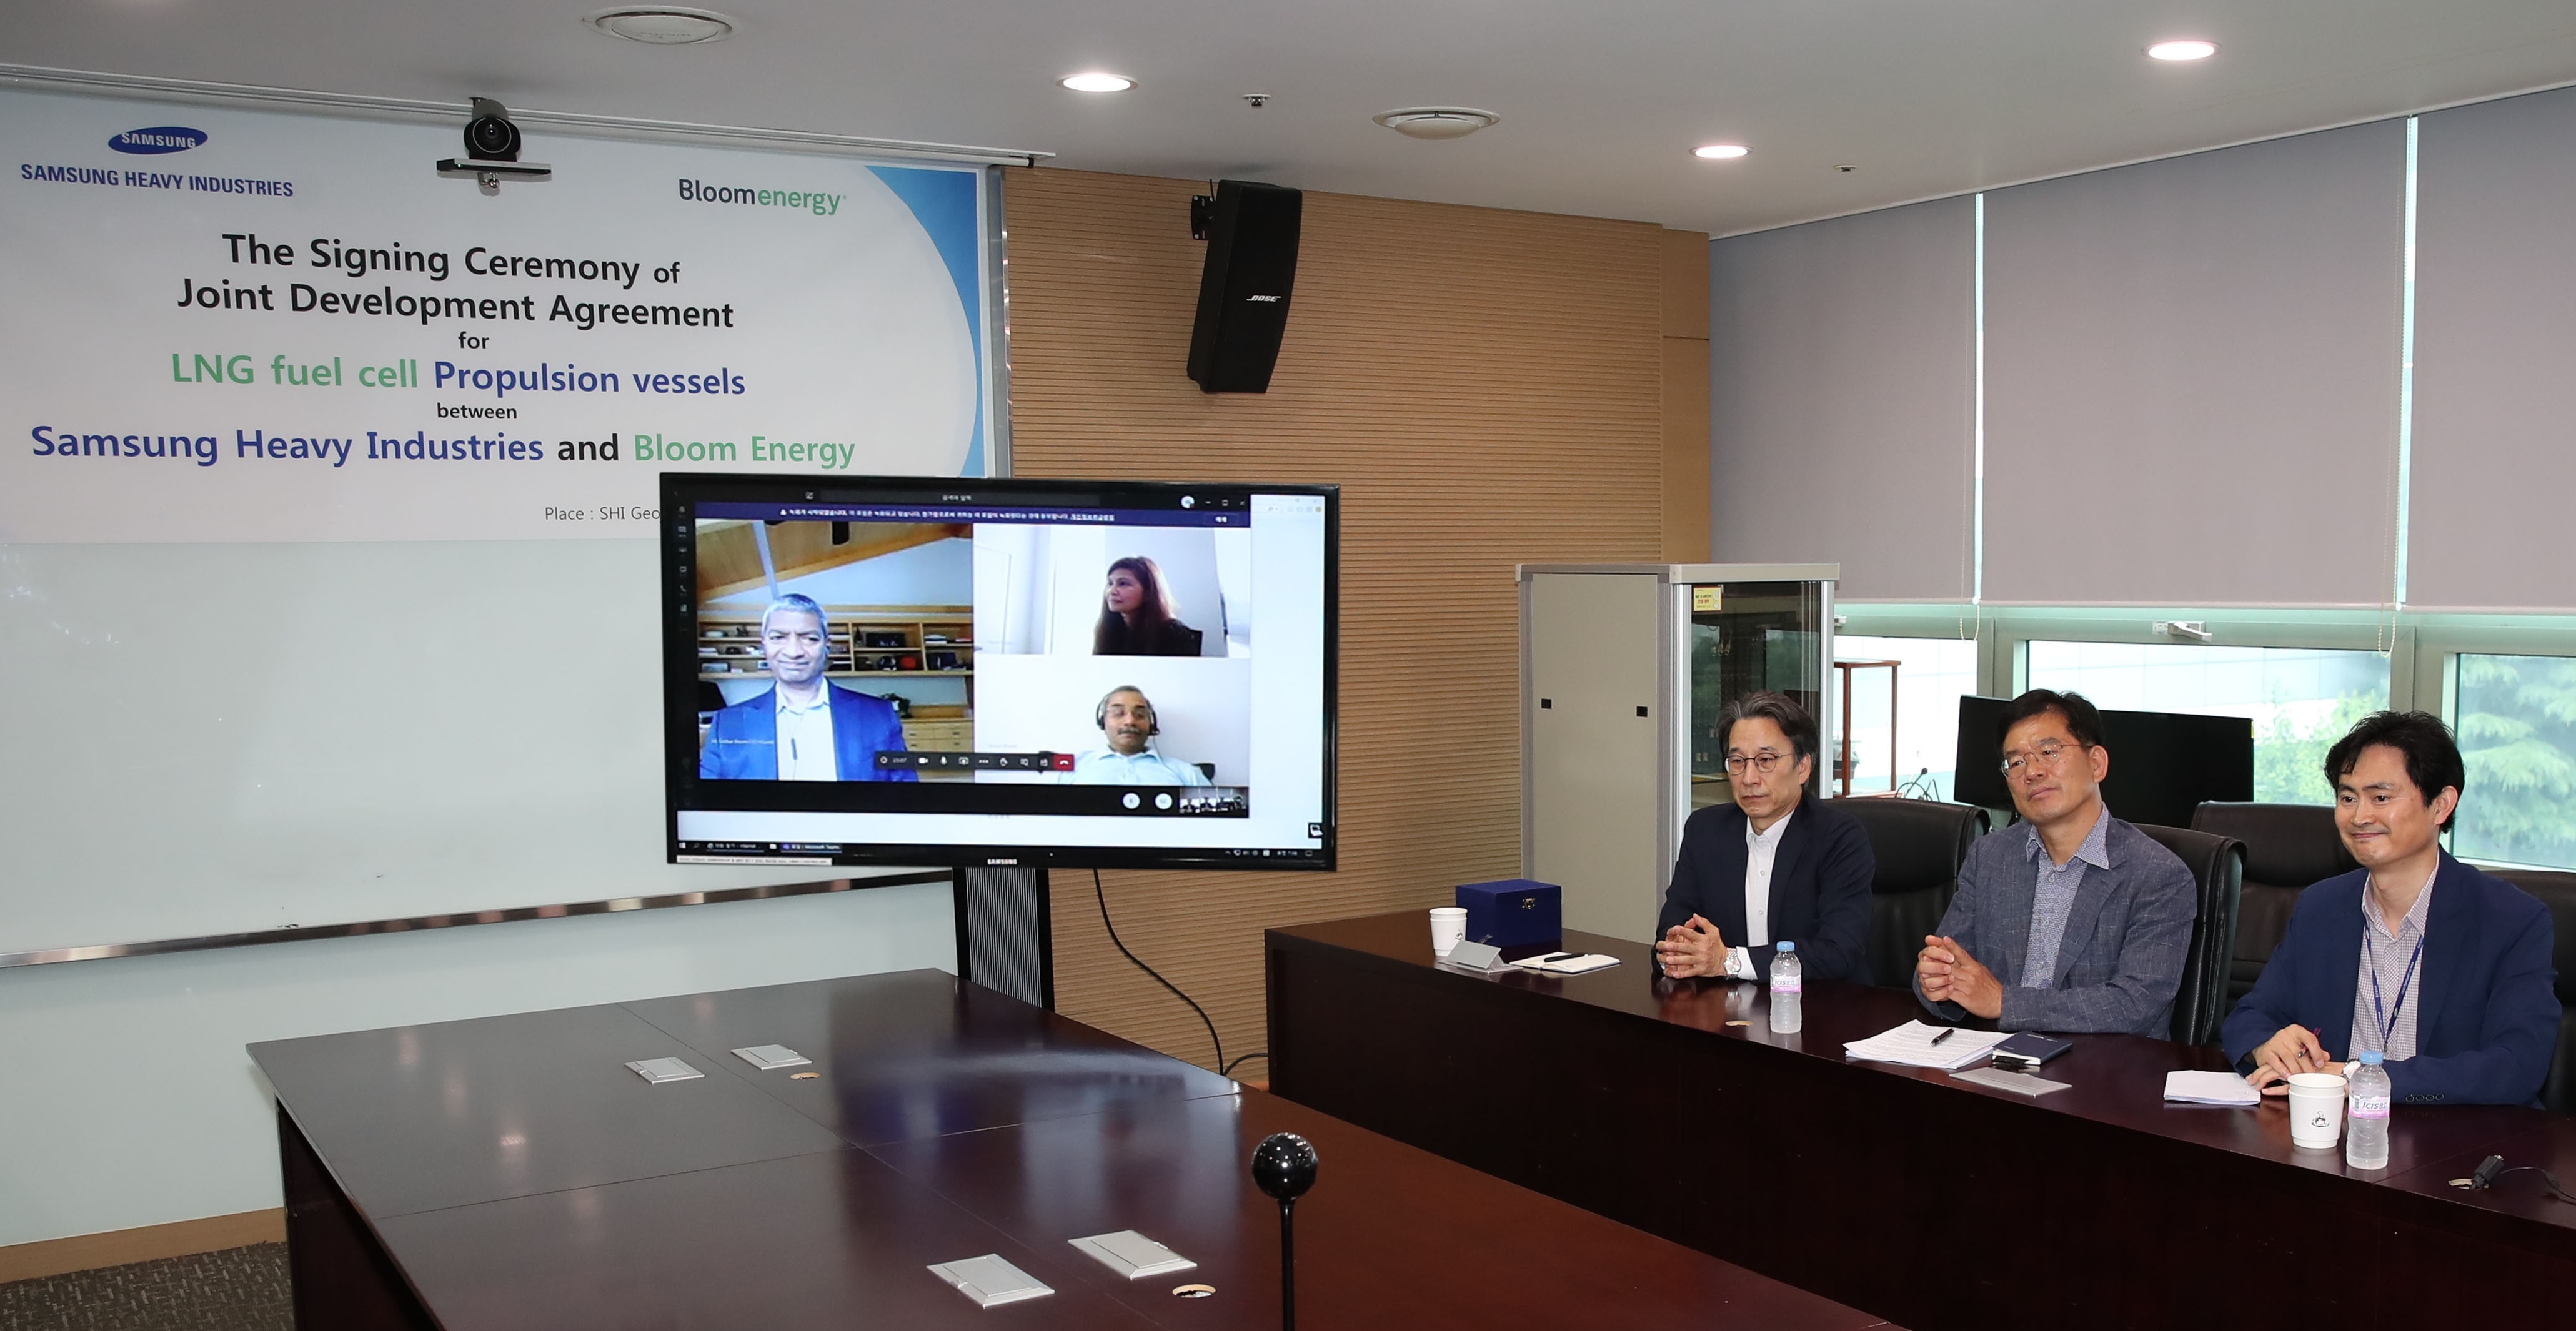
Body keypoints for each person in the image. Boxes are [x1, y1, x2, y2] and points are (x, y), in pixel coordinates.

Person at [2224, 711, 2560, 1106]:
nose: (2359, 817)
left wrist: (2358, 1077)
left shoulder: (2512, 920)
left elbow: (2517, 1066)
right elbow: (2250, 1016)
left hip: (2454, 1134)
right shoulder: (2321, 907)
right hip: (2329, 1130)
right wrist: (2267, 1045)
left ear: (2441, 806)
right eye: (2348, 798)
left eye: (2381, 798)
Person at [1914, 689, 2196, 1035]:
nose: (2032, 771)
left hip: (2102, 1062)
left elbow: (2135, 1004)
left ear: (2096, 764)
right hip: (1994, 1056)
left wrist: (2005, 1002)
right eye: (2016, 762)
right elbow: (1949, 963)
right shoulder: (1990, 857)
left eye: (2049, 752)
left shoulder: (2159, 874)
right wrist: (1935, 980)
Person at [1655, 692, 1875, 984]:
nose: (1749, 778)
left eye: (1765, 760)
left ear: (1803, 767)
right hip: (1729, 1005)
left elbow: (1838, 952)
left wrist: (1728, 961)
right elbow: (1671, 934)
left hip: (1822, 1005)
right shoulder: (1705, 831)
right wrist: (1678, 952)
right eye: (1737, 761)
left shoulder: (1839, 838)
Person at [698, 594, 915, 781]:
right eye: (778, 637)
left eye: (809, 638)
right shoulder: (727, 723)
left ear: (827, 645)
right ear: (764, 644)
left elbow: (905, 794)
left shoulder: (879, 715)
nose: (794, 652)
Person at [1064, 686, 1213, 786]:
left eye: (1140, 715)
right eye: (1118, 713)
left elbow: (1215, 820)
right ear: (1103, 722)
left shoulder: (1186, 773)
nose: (1130, 721)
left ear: (1151, 725)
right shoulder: (1072, 767)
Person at [1093, 556, 1202, 656]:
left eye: (1123, 584)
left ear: (1148, 592)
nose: (1112, 591)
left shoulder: (1173, 635)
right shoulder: (1110, 631)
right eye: (1110, 583)